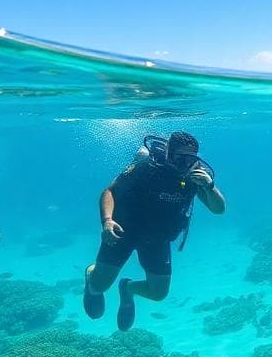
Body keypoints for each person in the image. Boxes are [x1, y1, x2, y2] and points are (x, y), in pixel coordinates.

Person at [83, 131, 226, 331]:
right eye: (179, 157)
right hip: (123, 230)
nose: (185, 163)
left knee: (158, 293)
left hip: (157, 237)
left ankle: (128, 288)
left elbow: (218, 210)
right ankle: (91, 275)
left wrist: (209, 187)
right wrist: (107, 221)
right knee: (99, 286)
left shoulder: (196, 177)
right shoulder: (146, 167)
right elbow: (109, 191)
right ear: (168, 153)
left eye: (190, 158)